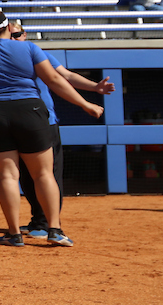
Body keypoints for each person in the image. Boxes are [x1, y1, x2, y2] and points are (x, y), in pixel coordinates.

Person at [0, 4, 103, 248]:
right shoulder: (29, 48)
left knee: (7, 176)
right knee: (44, 173)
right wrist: (85, 104)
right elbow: (55, 79)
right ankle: (54, 230)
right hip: (29, 111)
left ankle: (14, 234)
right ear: (10, 28)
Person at [9, 25, 113, 238]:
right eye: (10, 35)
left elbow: (65, 76)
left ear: (25, 35)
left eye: (17, 34)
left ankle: (48, 222)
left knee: (48, 174)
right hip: (20, 122)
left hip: (45, 122)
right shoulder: (4, 58)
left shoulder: (37, 53)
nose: (14, 38)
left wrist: (95, 88)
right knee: (27, 177)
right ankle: (38, 219)